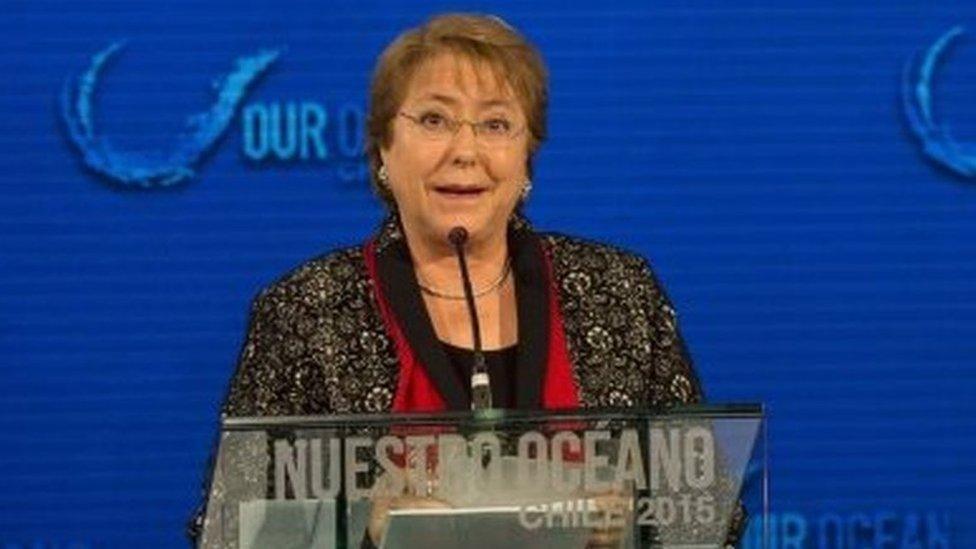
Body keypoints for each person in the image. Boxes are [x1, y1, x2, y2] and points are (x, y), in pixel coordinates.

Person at [189, 12, 742, 547]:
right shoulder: (306, 309)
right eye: (434, 120)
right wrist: (360, 526)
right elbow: (228, 533)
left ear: (526, 160)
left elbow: (712, 514)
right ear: (384, 148)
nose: (465, 151)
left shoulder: (620, 293)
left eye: (496, 124)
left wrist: (639, 520)